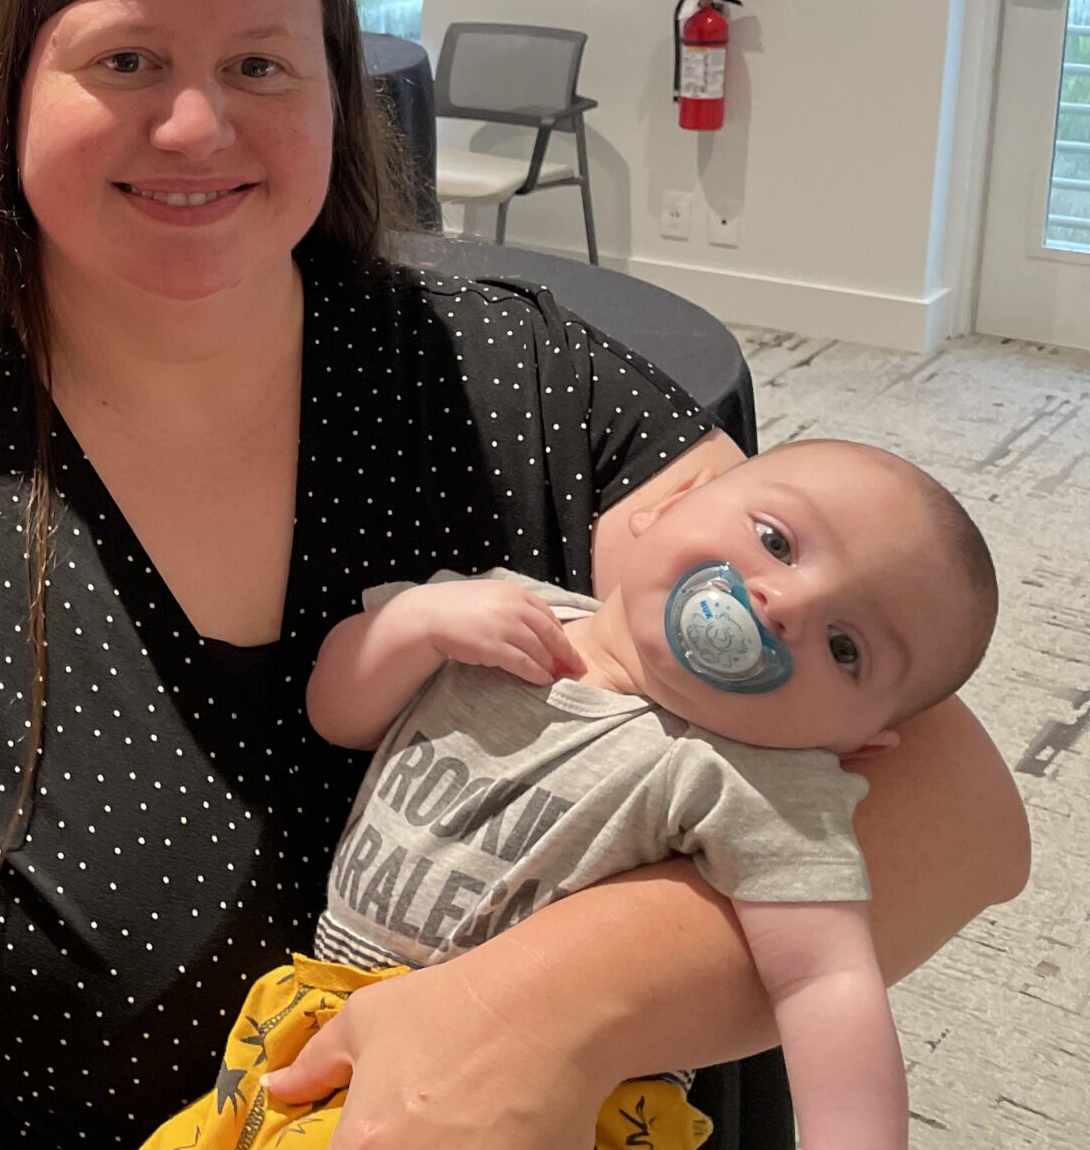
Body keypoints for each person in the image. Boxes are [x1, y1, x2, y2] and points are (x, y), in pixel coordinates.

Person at [0, 0, 1028, 1148]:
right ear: (10, 89)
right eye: (127, 60)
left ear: (340, 95)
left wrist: (540, 1011)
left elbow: (958, 812)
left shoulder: (515, 386)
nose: (198, 122)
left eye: (262, 64)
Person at [146, 438, 999, 1150]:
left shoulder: (757, 780)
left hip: (564, 1103)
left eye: (846, 648)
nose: (785, 605)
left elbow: (826, 983)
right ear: (666, 506)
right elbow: (336, 715)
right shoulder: (498, 614)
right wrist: (411, 628)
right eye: (776, 541)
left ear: (859, 742)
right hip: (319, 1015)